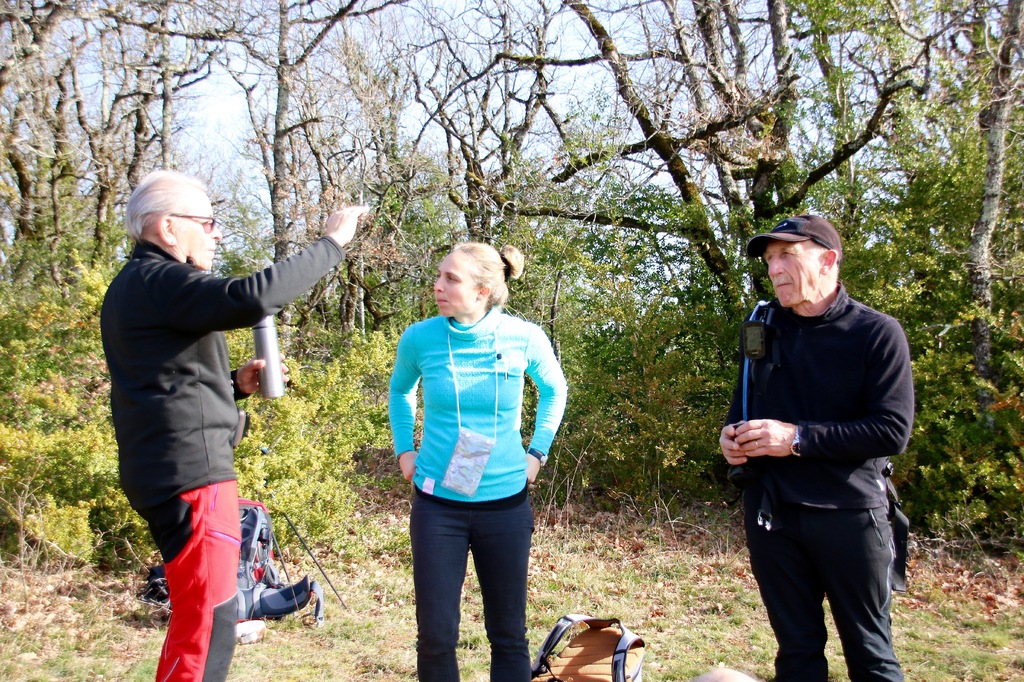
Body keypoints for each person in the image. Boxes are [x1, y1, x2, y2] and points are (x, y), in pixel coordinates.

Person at [101, 169, 367, 682]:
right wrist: (333, 243)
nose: (217, 234)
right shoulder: (159, 279)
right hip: (191, 476)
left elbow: (166, 382)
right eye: (207, 222)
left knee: (203, 615)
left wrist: (234, 385)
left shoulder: (138, 285)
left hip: (171, 470)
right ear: (168, 228)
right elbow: (253, 297)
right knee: (210, 621)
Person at [719, 215, 914, 681]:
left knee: (871, 654)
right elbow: (742, 405)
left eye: (787, 255)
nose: (774, 269)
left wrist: (795, 439)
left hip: (850, 514)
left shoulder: (877, 333)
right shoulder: (762, 326)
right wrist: (730, 438)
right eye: (770, 259)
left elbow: (891, 430)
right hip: (774, 514)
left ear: (828, 260)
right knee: (797, 653)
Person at [389, 242, 568, 681]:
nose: (438, 285)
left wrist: (537, 453)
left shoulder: (524, 336)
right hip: (438, 507)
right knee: (436, 637)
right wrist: (405, 450)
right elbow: (400, 390)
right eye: (439, 275)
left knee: (508, 635)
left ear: (483, 290)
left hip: (505, 506)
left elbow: (554, 390)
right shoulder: (420, 338)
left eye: (451, 278)